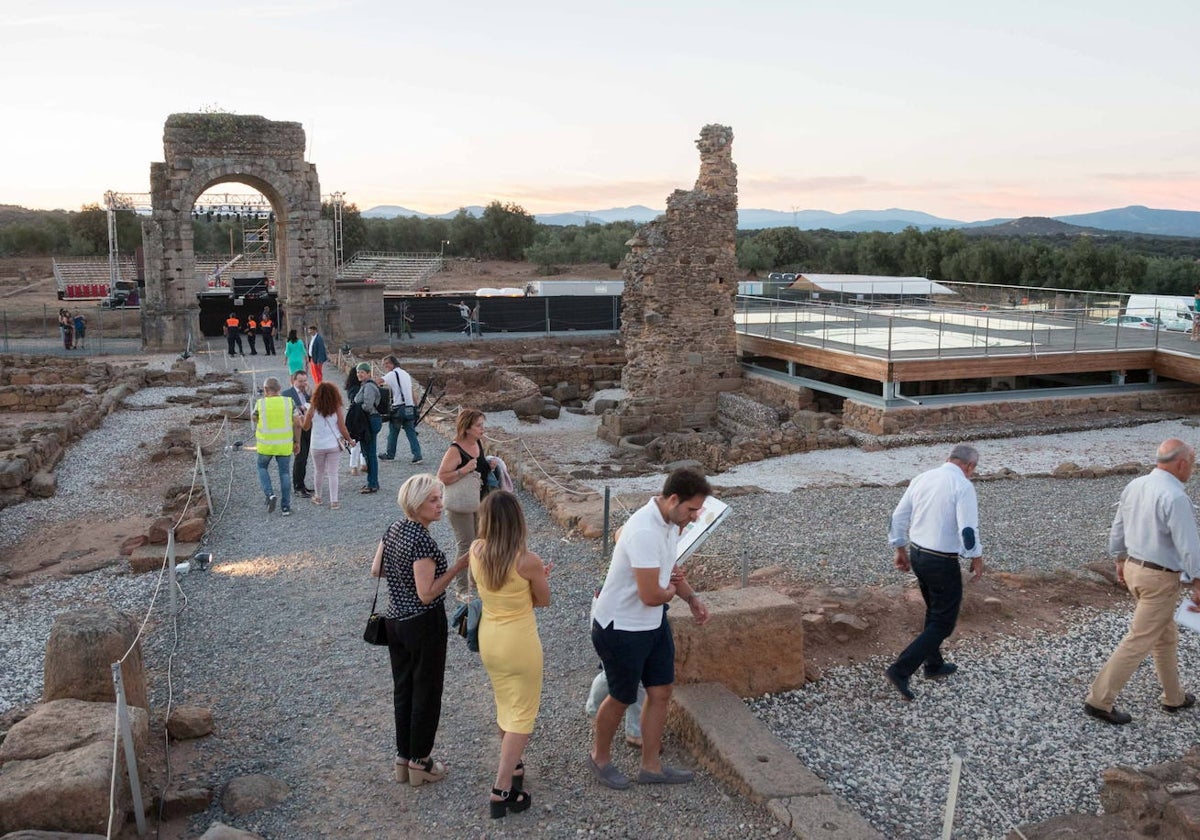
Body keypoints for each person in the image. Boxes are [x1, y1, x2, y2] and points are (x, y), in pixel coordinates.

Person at [588, 468, 711, 790]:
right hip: (621, 626)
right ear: (673, 499)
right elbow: (653, 594)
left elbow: (671, 570)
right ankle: (599, 758)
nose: (695, 517)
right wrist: (671, 593)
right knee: (620, 696)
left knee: (661, 691)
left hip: (650, 623)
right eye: (692, 509)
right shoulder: (644, 530)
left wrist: (692, 598)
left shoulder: (670, 522)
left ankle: (651, 766)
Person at [1084, 439, 1200, 725]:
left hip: (1134, 568)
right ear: (1182, 463)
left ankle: (1173, 696)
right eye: (1193, 464)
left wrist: (1120, 560)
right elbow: (1189, 546)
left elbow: (1118, 525)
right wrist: (1198, 581)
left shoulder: (1135, 485)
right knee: (1139, 639)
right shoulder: (1175, 497)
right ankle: (1099, 700)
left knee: (1165, 634)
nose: (1193, 470)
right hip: (1159, 578)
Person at [370, 474, 469, 787]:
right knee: (426, 692)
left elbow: (377, 569)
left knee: (404, 690)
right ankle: (421, 762)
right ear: (416, 504)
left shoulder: (394, 529)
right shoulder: (421, 541)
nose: (440, 505)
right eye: (433, 500)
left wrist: (403, 578)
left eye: (439, 498)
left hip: (394, 621)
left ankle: (403, 758)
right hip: (423, 623)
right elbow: (427, 593)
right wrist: (458, 565)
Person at [469, 491, 551, 818]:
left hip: (491, 638)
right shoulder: (527, 561)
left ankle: (514, 765)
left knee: (505, 703)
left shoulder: (476, 550)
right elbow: (542, 600)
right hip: (519, 642)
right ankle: (501, 789)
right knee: (523, 714)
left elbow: (493, 592)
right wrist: (540, 578)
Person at [884, 444, 984, 702]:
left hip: (918, 554)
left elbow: (898, 516)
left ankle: (934, 664)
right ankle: (901, 669)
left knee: (934, 609)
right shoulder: (963, 486)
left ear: (947, 458)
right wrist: (976, 557)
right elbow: (968, 531)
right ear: (969, 466)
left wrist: (899, 549)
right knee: (943, 621)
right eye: (973, 469)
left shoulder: (923, 477)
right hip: (942, 560)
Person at [437, 409, 496, 596]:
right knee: (466, 545)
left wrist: (488, 464)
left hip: (480, 502)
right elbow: (442, 477)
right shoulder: (455, 450)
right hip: (461, 504)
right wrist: (464, 470)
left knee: (481, 543)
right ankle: (462, 588)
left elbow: (480, 469)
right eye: (479, 425)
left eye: (482, 425)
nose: (482, 429)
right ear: (467, 428)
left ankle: (477, 583)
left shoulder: (477, 443)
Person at [252, 376, 300, 517]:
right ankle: (285, 507)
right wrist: (297, 442)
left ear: (266, 390)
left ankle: (270, 494)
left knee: (262, 467)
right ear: (279, 389)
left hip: (265, 444)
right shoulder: (289, 402)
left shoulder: (260, 403)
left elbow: (254, 418)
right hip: (284, 444)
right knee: (284, 474)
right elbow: (297, 423)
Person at [303, 381, 351, 509]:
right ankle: (334, 501)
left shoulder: (312, 408)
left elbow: (306, 427)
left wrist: (303, 416)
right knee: (333, 473)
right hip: (333, 445)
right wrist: (350, 440)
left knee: (318, 471)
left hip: (317, 445)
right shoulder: (336, 408)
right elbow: (342, 427)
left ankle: (318, 497)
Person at [379, 355, 423, 465]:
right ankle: (417, 455)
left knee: (393, 432)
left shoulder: (392, 374)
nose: (385, 366)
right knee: (411, 432)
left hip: (399, 408)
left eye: (387, 364)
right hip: (409, 407)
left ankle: (390, 454)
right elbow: (411, 390)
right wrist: (415, 406)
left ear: (393, 363)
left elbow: (377, 381)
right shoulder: (405, 374)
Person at [281, 370, 314, 499]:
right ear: (293, 381)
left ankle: (302, 484)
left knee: (304, 458)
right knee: (300, 458)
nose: (303, 383)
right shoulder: (286, 394)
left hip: (307, 428)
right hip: (295, 430)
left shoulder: (307, 393)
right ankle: (298, 487)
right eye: (300, 381)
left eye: (305, 380)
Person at [353, 362, 383, 494]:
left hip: (370, 420)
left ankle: (373, 484)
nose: (359, 374)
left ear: (368, 373)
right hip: (369, 420)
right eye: (358, 372)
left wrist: (357, 408)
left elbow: (368, 405)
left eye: (362, 372)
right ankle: (372, 482)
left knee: (370, 454)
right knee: (367, 452)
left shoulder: (369, 387)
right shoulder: (365, 385)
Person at [344, 367, 365, 476]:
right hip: (358, 416)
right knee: (357, 440)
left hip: (355, 415)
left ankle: (361, 464)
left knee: (359, 440)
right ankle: (355, 465)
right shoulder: (357, 388)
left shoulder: (351, 388)